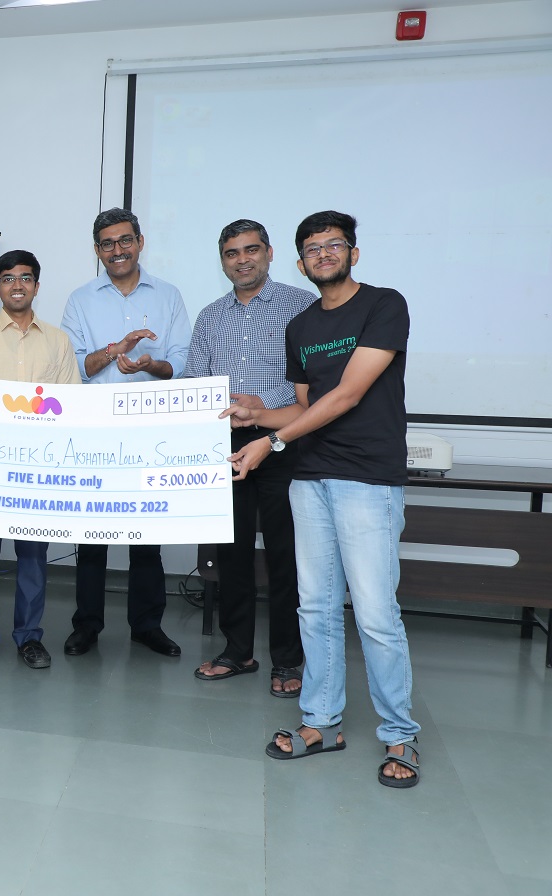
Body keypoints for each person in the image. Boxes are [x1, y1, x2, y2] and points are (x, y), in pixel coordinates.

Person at [225, 210, 421, 788]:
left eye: (334, 244)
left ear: (353, 253)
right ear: (301, 262)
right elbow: (306, 408)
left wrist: (270, 442)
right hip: (309, 478)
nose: (323, 254)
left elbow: (348, 395)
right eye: (312, 249)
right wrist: (256, 413)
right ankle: (321, 722)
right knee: (315, 608)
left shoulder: (384, 305)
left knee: (376, 614)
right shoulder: (302, 326)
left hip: (367, 480)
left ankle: (400, 734)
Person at [187, 221, 315, 697]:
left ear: (269, 253)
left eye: (251, 250)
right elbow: (194, 378)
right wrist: (217, 405)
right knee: (232, 555)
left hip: (284, 439)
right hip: (224, 445)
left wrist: (261, 405)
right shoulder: (209, 316)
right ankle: (237, 651)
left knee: (286, 556)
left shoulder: (301, 305)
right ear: (222, 260)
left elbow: (311, 380)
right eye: (232, 253)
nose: (242, 260)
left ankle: (288, 660)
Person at [60, 207, 191, 659]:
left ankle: (147, 626)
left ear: (140, 242)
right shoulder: (80, 299)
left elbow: (181, 360)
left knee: (146, 536)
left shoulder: (169, 295)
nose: (117, 250)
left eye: (125, 240)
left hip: (150, 429)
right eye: (107, 244)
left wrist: (151, 365)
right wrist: (118, 349)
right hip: (95, 428)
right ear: (97, 250)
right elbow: (75, 365)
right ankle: (87, 625)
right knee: (91, 537)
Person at [0, 250, 79, 671]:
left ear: (37, 286)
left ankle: (29, 637)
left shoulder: (58, 340)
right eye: (8, 278)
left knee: (34, 557)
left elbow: (71, 407)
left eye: (25, 278)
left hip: (38, 470)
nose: (17, 285)